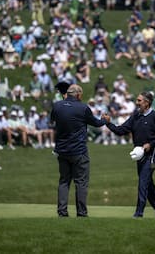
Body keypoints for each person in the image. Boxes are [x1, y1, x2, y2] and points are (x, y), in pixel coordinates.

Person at [102, 91, 155, 218]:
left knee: (143, 182)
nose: (136, 103)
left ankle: (139, 213)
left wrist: (150, 144)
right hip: (139, 156)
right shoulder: (135, 116)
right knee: (148, 184)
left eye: (139, 101)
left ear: (147, 103)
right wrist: (108, 123)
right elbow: (121, 130)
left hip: (152, 155)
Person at [50, 84, 107, 217]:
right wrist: (104, 120)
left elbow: (52, 121)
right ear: (79, 95)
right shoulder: (83, 108)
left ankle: (62, 212)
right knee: (81, 182)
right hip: (78, 150)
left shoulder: (57, 105)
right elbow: (96, 123)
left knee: (64, 181)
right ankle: (81, 213)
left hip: (62, 150)